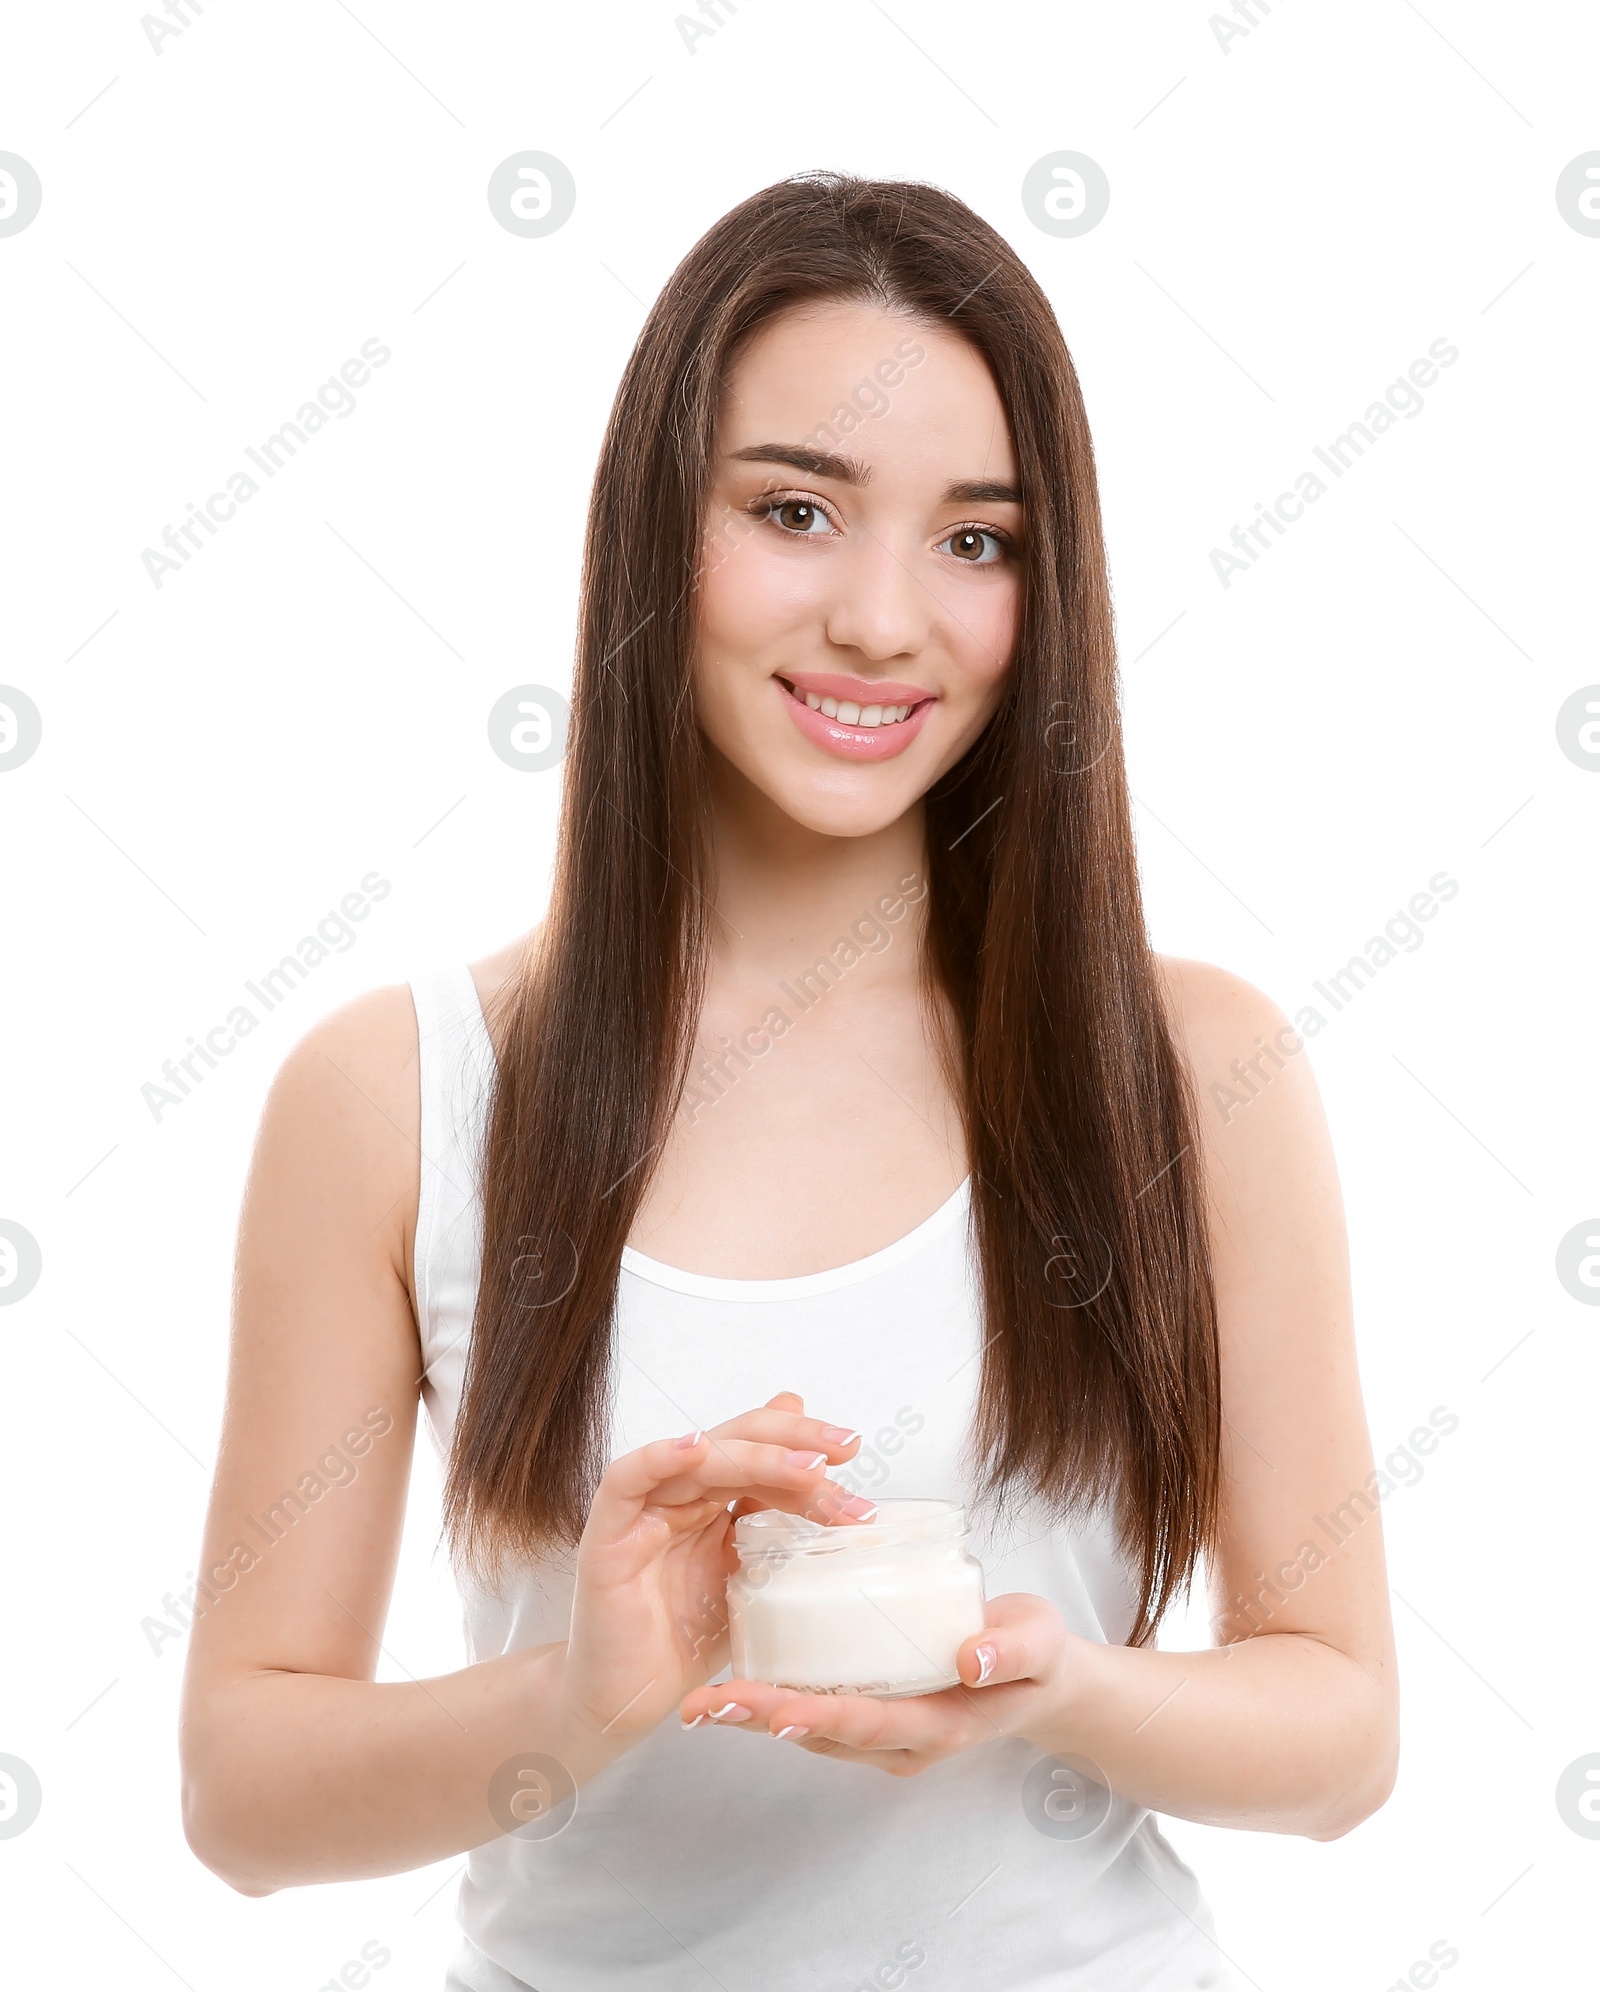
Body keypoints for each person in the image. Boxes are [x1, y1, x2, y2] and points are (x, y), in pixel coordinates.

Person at [179, 172, 1398, 1991]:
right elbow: (243, 1797)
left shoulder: (1193, 1074)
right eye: (798, 510)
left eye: (977, 540)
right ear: (655, 530)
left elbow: (1341, 1735)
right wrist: (581, 1699)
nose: (883, 621)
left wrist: (1063, 1691)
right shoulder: (396, 1093)